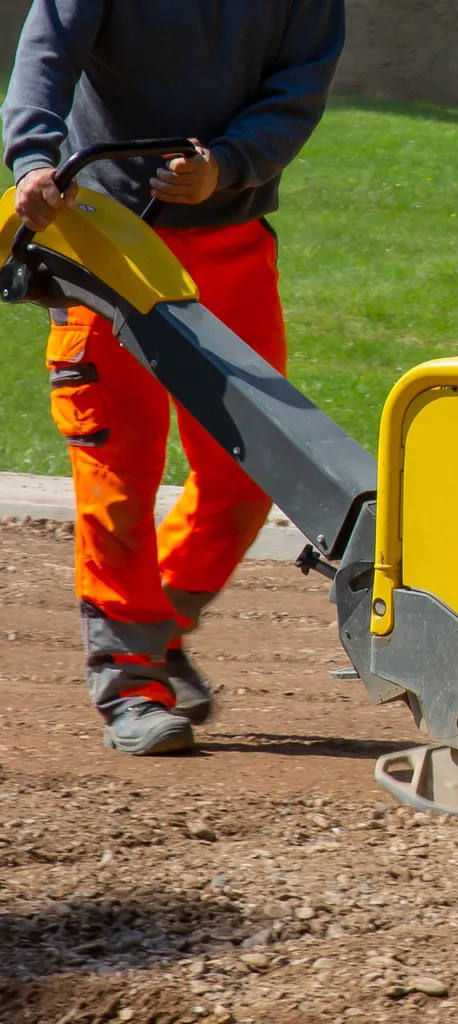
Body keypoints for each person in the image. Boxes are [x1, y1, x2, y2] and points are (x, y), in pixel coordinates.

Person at [1, 0, 345, 755]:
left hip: (231, 244)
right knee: (117, 471)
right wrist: (32, 161)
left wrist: (228, 164)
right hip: (104, 240)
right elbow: (47, 58)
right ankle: (131, 680)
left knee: (253, 473)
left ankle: (155, 635)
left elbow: (297, 88)